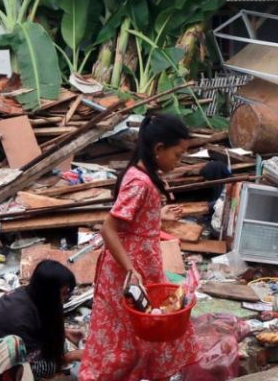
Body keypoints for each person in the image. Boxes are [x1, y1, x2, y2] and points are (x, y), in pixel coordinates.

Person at [80, 114, 201, 381]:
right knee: (124, 338)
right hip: (128, 272)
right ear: (158, 149)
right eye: (177, 155)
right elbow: (108, 229)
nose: (178, 162)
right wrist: (131, 270)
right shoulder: (139, 182)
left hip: (142, 267)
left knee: (152, 328)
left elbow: (133, 222)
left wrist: (159, 216)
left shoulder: (144, 174)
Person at [0, 260, 82, 380]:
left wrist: (63, 333)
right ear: (49, 292)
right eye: (64, 293)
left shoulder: (31, 296)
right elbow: (40, 369)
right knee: (14, 346)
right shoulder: (20, 317)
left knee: (61, 346)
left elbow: (45, 332)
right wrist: (71, 357)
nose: (65, 299)